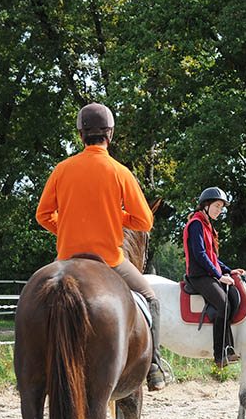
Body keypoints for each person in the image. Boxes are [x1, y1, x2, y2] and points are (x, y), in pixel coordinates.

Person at [35, 102, 167, 391]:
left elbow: (43, 215)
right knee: (151, 298)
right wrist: (115, 214)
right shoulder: (120, 172)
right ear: (110, 134)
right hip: (109, 259)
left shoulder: (62, 169)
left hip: (66, 259)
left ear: (81, 134)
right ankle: (154, 366)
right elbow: (144, 222)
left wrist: (67, 228)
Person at [183, 187, 244, 367]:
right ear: (206, 205)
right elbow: (200, 255)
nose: (219, 210)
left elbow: (213, 258)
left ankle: (229, 347)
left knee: (232, 296)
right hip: (199, 275)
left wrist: (230, 270)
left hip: (209, 273)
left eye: (221, 208)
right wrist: (220, 275)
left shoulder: (207, 225)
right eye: (217, 206)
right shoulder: (196, 224)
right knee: (223, 303)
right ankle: (219, 354)